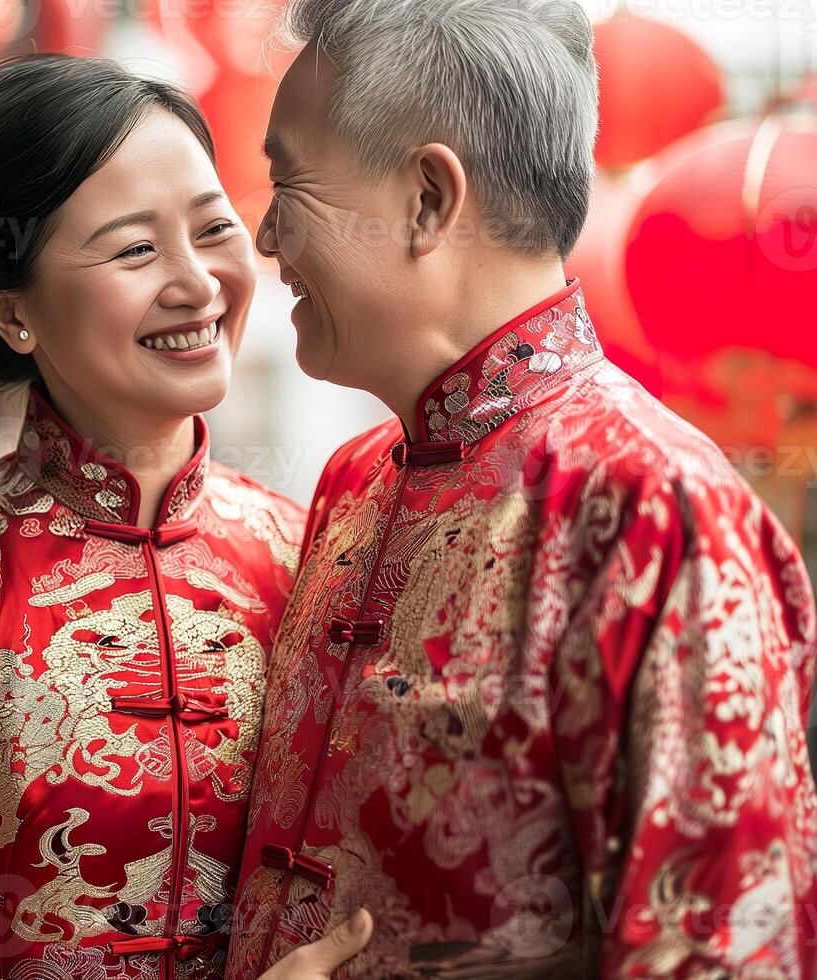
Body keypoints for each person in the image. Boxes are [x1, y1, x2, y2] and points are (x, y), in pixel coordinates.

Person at [227, 1, 817, 977]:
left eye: (288, 179)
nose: (262, 236)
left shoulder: (653, 512)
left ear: (426, 197)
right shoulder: (356, 486)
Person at [0, 54, 370, 980]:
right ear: (12, 308)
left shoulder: (315, 551)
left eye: (213, 228)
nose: (197, 283)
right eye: (135, 249)